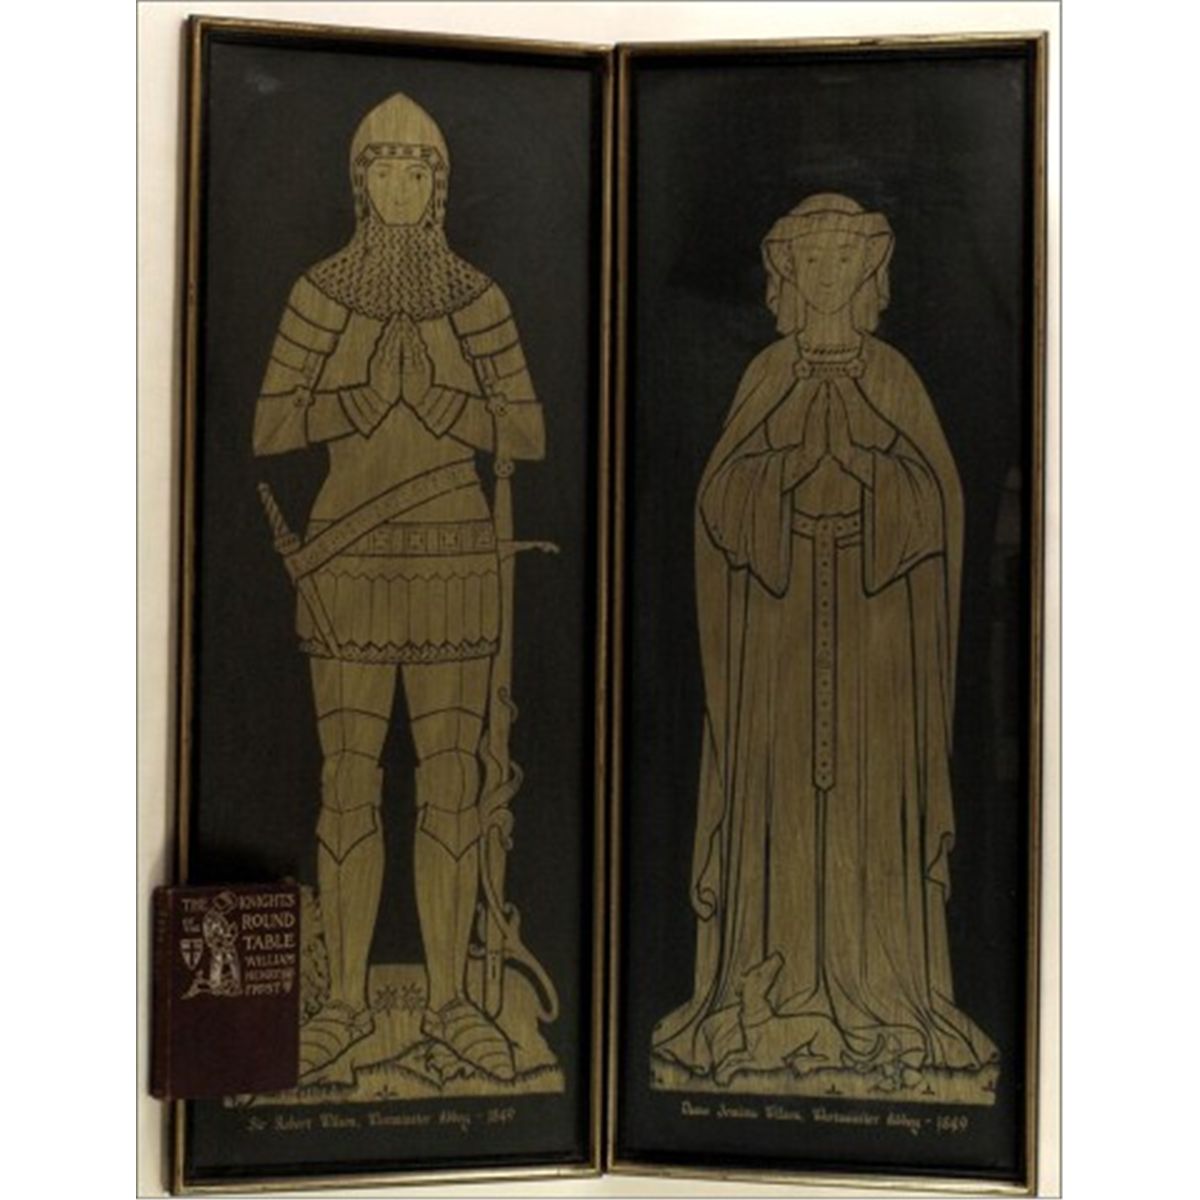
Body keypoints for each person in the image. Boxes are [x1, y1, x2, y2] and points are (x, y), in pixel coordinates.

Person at [653, 193, 997, 1088]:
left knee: (868, 801)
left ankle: (882, 989)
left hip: (879, 631)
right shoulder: (766, 374)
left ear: (869, 272)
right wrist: (783, 477)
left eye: (845, 259)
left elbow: (940, 508)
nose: (829, 275)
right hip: (775, 624)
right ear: (789, 275)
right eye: (813, 260)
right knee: (777, 796)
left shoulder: (895, 378)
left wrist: (873, 472)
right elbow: (717, 507)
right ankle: (766, 986)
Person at [251, 92, 544, 1084]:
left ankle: (453, 1002)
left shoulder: (478, 300)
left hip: (455, 556)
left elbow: (528, 431)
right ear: (360, 183)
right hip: (349, 558)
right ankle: (341, 1004)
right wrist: (365, 397)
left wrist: (446, 402)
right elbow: (271, 425)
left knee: (454, 784)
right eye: (385, 169)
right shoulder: (320, 295)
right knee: (347, 783)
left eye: (420, 171)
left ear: (440, 187)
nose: (403, 186)